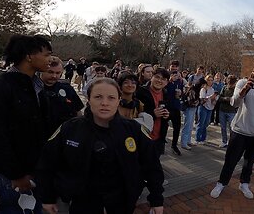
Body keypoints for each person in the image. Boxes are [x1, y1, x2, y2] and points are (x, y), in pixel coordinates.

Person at [36, 78, 164, 214]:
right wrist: (47, 197)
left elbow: (152, 166)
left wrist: (156, 199)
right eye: (98, 97)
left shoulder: (134, 130)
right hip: (82, 202)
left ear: (118, 100)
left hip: (121, 202)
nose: (104, 103)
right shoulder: (70, 128)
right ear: (89, 100)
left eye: (111, 98)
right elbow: (46, 163)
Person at [0, 34, 52, 214]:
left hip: (32, 170)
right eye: (46, 54)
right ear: (29, 56)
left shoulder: (36, 87)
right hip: (10, 175)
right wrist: (16, 175)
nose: (51, 59)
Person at [210, 58, 254, 200]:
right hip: (239, 131)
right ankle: (221, 183)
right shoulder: (242, 83)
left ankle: (244, 183)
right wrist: (244, 91)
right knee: (231, 160)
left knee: (249, 162)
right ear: (253, 69)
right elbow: (234, 103)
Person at [39, 56, 84, 135]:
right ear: (41, 71)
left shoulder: (68, 89)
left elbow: (78, 113)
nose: (54, 76)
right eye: (50, 72)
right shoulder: (32, 89)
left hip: (63, 136)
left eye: (57, 73)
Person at [135, 68, 170, 155]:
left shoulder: (165, 93)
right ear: (152, 77)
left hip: (159, 138)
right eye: (157, 77)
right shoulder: (140, 92)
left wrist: (167, 115)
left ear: (166, 82)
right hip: (143, 137)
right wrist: (153, 114)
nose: (159, 81)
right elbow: (134, 115)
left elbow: (169, 110)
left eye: (163, 79)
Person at [165, 61, 185, 156]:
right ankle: (161, 145)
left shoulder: (180, 79)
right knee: (164, 126)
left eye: (176, 67)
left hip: (176, 106)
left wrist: (180, 93)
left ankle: (174, 145)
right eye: (173, 66)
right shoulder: (165, 76)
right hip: (167, 106)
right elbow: (162, 89)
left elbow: (181, 91)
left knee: (177, 127)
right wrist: (169, 80)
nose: (174, 68)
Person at [180, 78, 205, 150]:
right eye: (203, 85)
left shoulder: (196, 89)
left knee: (191, 125)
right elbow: (191, 101)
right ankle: (183, 142)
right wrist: (201, 101)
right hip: (189, 108)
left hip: (193, 108)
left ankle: (188, 140)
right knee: (187, 125)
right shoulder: (193, 90)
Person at [195, 74, 218, 144]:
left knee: (206, 123)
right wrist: (210, 97)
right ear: (206, 80)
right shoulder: (203, 89)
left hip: (210, 107)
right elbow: (202, 99)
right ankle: (198, 139)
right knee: (201, 123)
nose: (210, 82)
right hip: (203, 107)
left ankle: (203, 138)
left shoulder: (212, 89)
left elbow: (213, 100)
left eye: (211, 80)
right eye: (209, 80)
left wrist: (214, 99)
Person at [217, 75, 238, 148]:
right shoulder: (224, 87)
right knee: (223, 127)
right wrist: (226, 99)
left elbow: (235, 100)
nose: (229, 84)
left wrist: (229, 99)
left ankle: (232, 142)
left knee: (232, 128)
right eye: (228, 81)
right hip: (222, 110)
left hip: (231, 111)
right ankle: (224, 141)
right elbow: (220, 98)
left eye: (231, 82)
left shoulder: (236, 90)